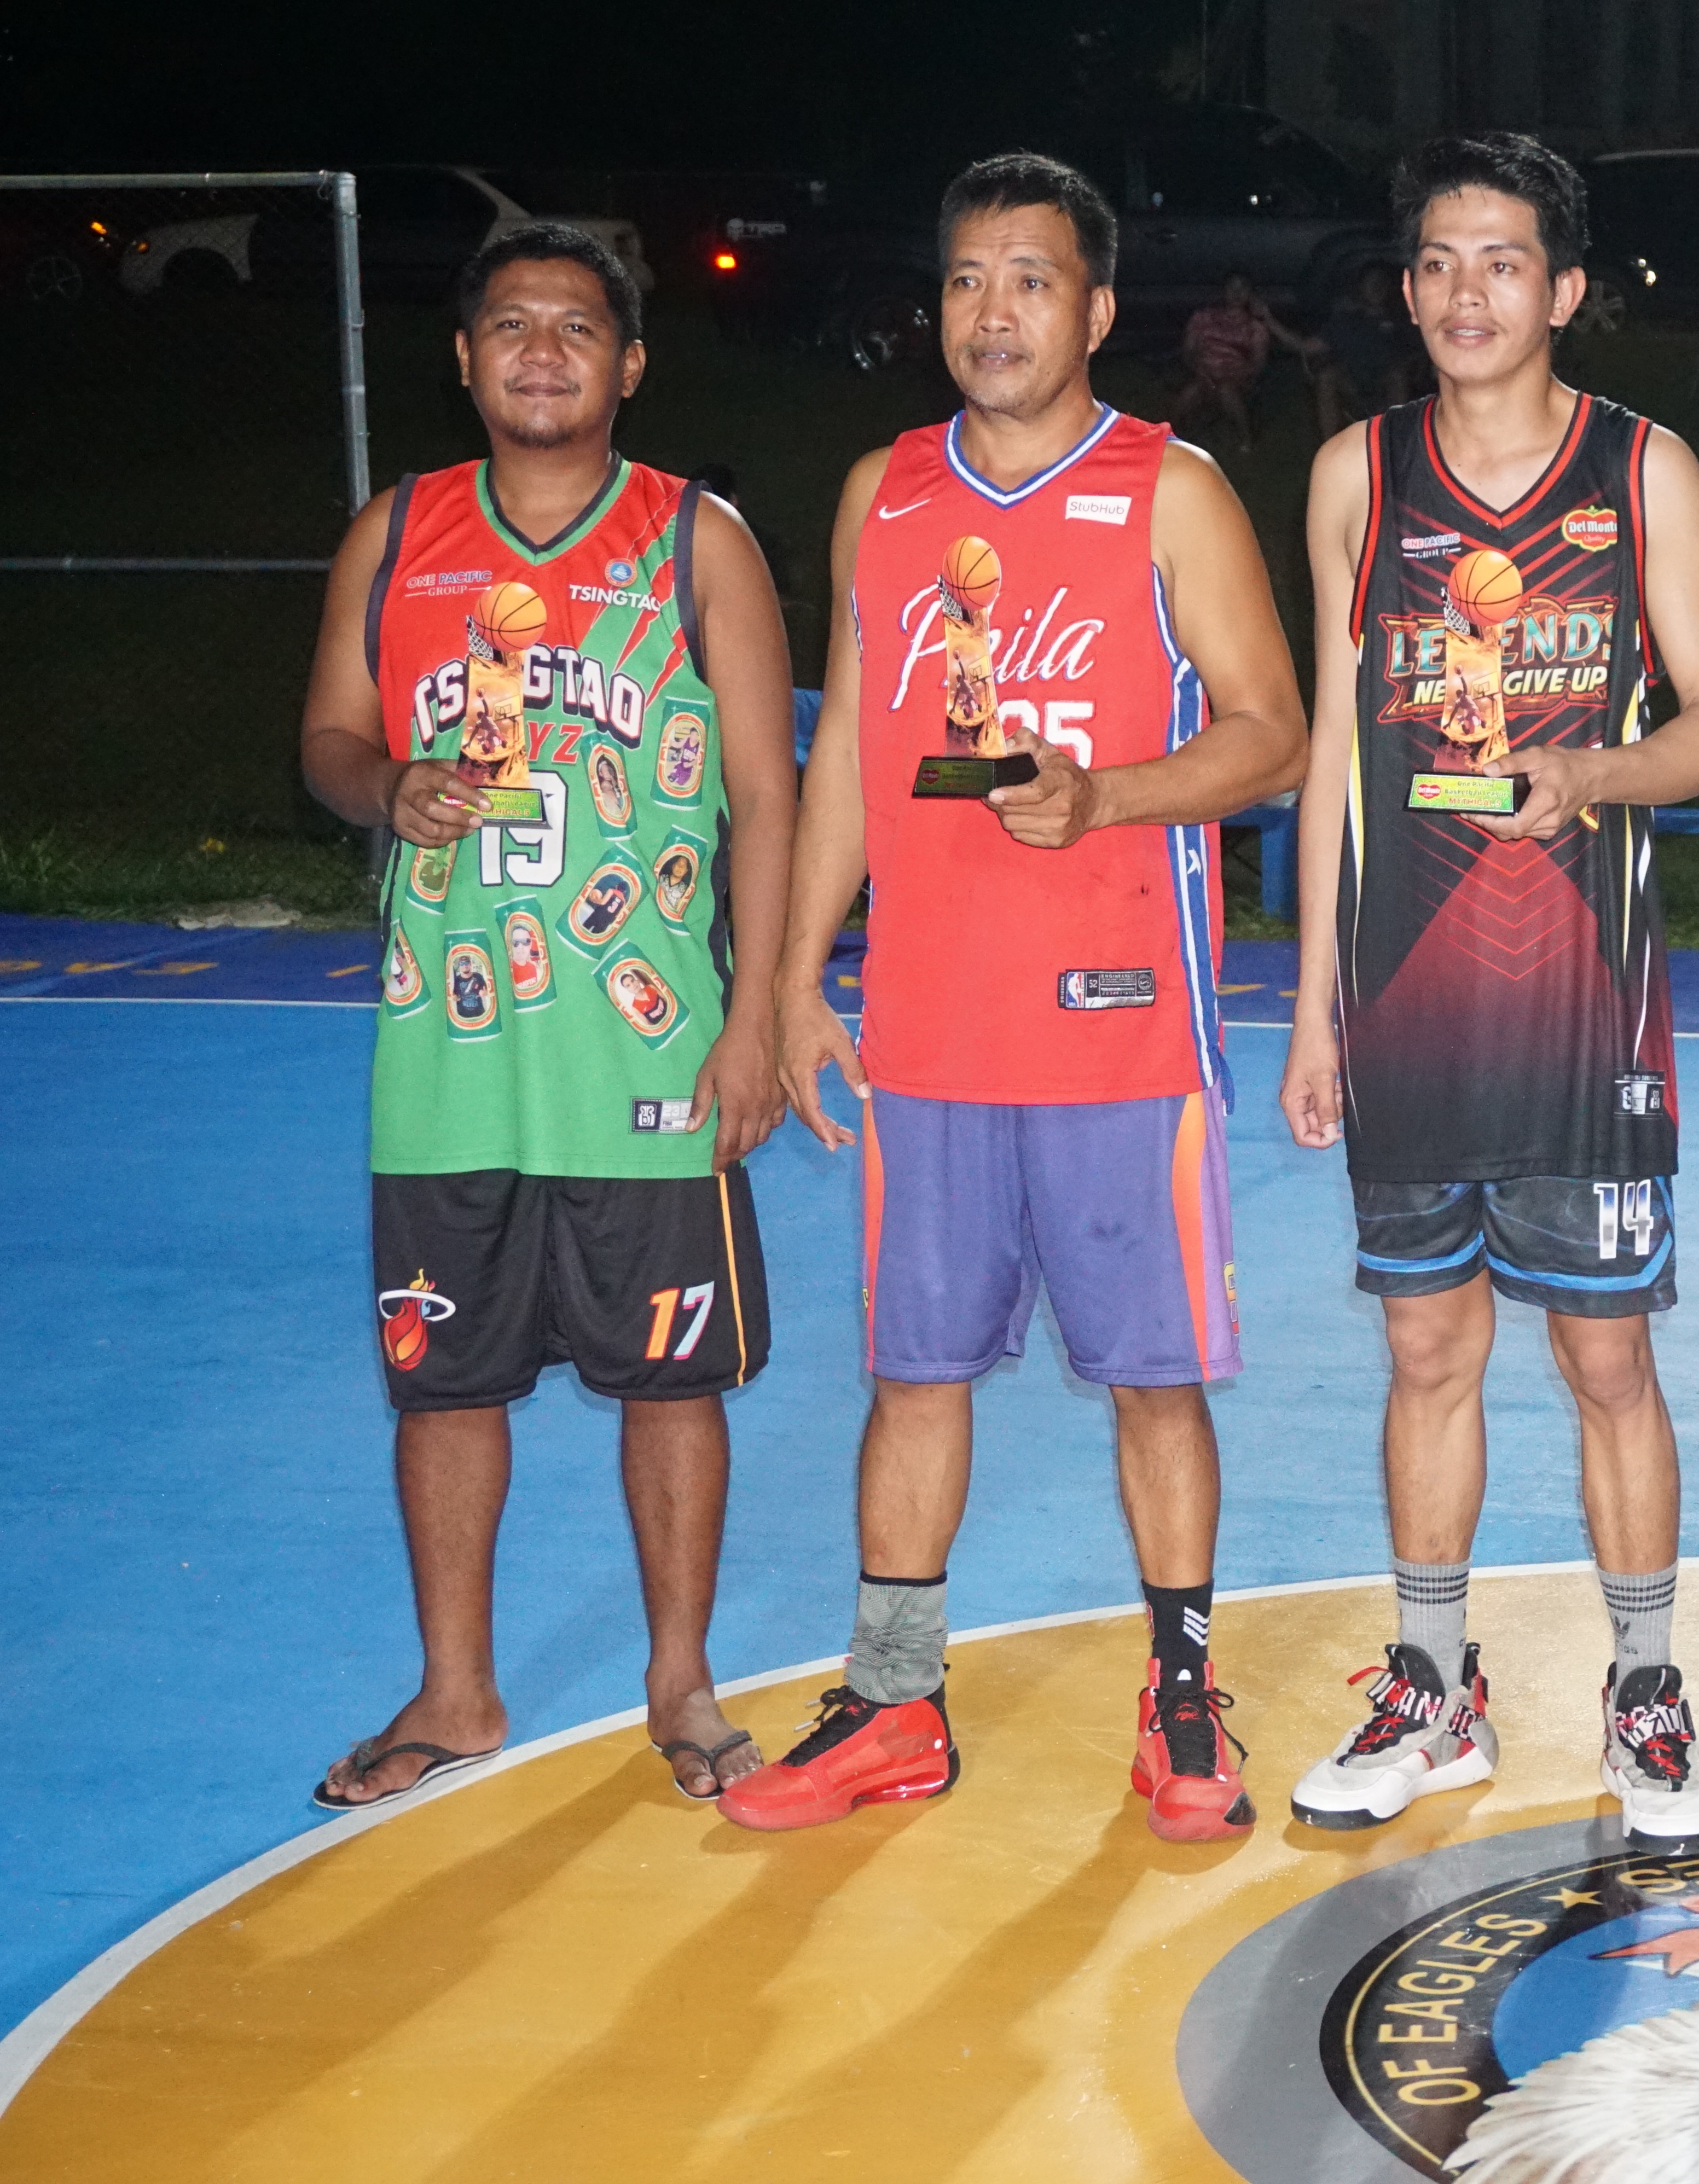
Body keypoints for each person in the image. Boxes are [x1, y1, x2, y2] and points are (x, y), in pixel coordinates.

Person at [723, 154, 1308, 1840]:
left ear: (1097, 310)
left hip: (1120, 1024)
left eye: (1032, 281)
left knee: (1151, 1377)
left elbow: (1272, 736)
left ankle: (1182, 1701)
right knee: (913, 1371)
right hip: (926, 1026)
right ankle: (894, 1702)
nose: (994, 313)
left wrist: (1109, 794)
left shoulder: (1168, 490)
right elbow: (850, 755)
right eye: (969, 280)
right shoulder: (885, 491)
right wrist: (792, 981)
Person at [1282, 133, 1699, 1848]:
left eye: (1502, 262)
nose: (1466, 292)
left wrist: (1596, 775)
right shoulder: (1355, 473)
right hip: (1404, 988)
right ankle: (1434, 1689)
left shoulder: (1642, 469)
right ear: (1407, 290)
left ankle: (1647, 1693)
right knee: (1424, 1344)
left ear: (1564, 290)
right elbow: (1334, 754)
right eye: (1438, 262)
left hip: (1580, 1000)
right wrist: (1313, 1003)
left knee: (1606, 1355)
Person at [298, 225, 798, 1809]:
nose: (539, 349)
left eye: (576, 327)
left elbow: (769, 795)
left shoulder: (693, 538)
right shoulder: (398, 531)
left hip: (648, 1052)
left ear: (629, 364)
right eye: (508, 322)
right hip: (445, 1056)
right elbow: (328, 738)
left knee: (672, 1379)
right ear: (463, 359)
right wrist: (387, 781)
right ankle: (456, 1692)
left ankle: (682, 1682)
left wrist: (759, 1019)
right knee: (443, 1382)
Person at [1172, 271, 1317, 454]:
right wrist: (1199, 370)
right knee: (1190, 393)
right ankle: (1172, 435)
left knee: (1226, 390)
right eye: (1232, 288)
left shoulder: (1255, 326)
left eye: (1243, 288)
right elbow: (1188, 350)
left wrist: (1233, 375)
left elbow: (1257, 363)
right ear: (1223, 291)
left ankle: (1245, 439)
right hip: (1203, 372)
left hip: (1236, 376)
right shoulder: (1204, 317)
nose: (1237, 293)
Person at [1314, 259, 1419, 435]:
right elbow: (1307, 346)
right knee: (1327, 376)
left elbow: (1417, 354)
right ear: (1361, 288)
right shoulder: (1347, 320)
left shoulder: (1400, 320)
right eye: (1371, 283)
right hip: (1352, 382)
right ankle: (1330, 442)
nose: (1377, 287)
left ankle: (1397, 439)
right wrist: (1271, 322)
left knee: (1398, 376)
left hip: (1386, 383)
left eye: (1381, 283)